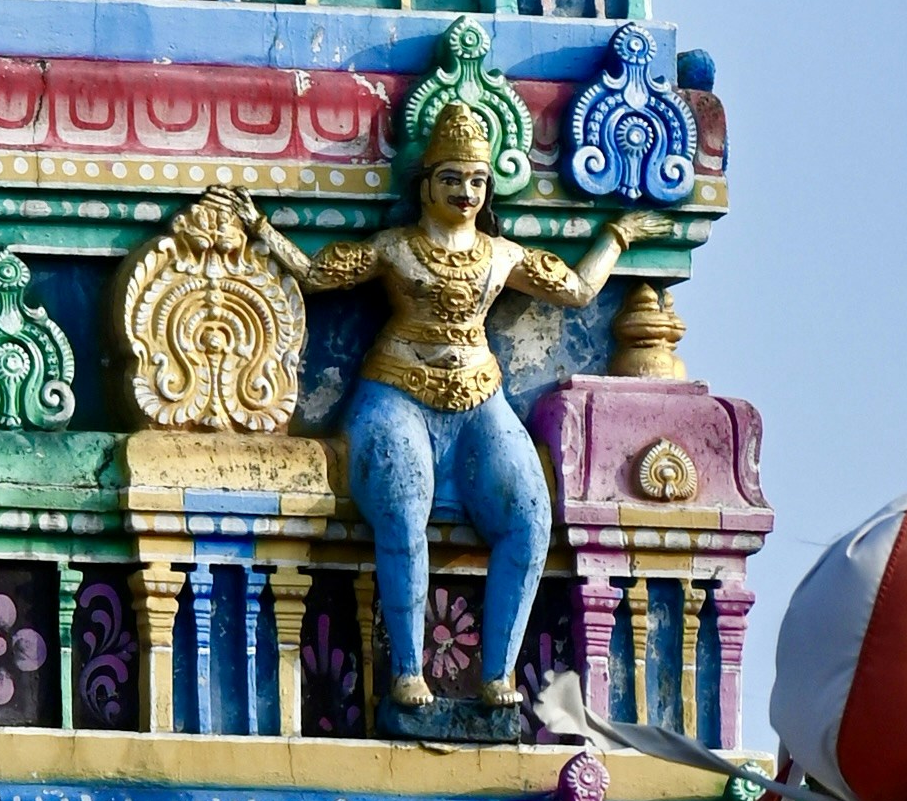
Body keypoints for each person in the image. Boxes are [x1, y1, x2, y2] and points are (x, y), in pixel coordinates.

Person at [260, 93, 643, 720]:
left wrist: (619, 236)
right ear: (426, 185)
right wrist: (262, 230)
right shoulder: (395, 247)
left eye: (476, 181)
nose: (466, 192)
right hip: (396, 392)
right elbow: (316, 274)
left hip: (479, 397)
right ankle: (408, 670)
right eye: (452, 179)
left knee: (530, 516)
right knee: (403, 504)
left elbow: (577, 290)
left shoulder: (500, 254)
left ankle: (497, 674)